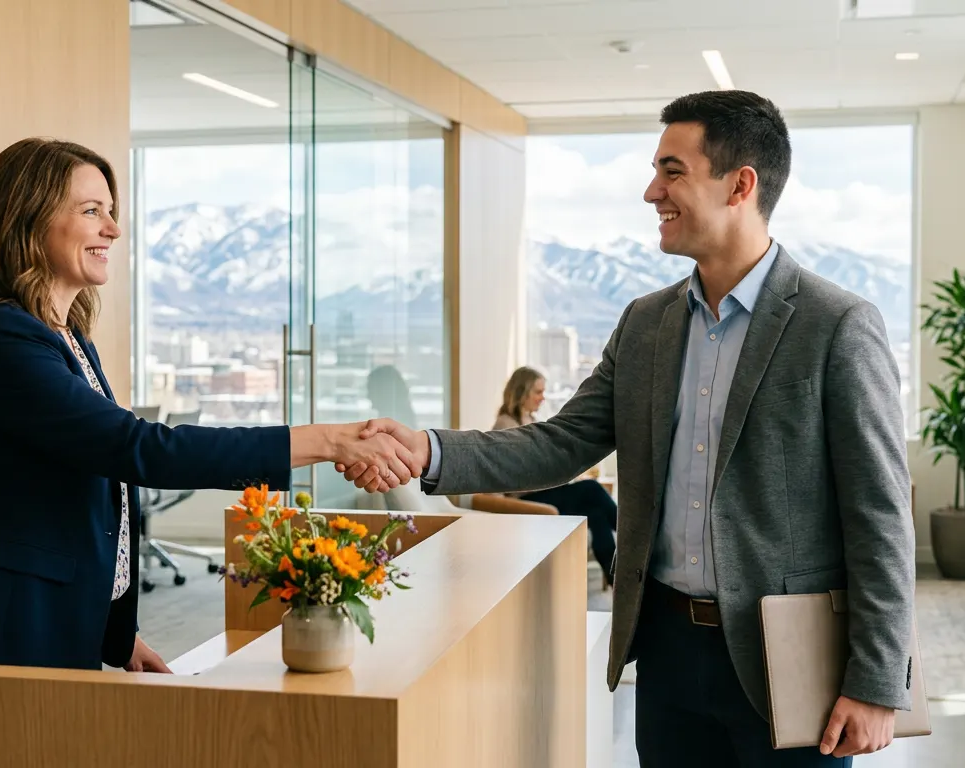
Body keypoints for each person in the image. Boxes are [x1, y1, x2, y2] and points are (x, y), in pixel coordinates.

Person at [343, 91, 914, 765]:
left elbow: (880, 513)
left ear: (740, 184)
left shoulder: (836, 324)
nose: (652, 192)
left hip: (787, 660)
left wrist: (877, 681)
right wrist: (427, 449)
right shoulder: (646, 323)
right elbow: (560, 441)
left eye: (673, 171)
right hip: (666, 650)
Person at [0, 138, 416, 673]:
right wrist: (327, 441)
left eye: (111, 212)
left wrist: (114, 634)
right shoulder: (1, 339)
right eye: (91, 211)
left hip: (51, 625)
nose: (113, 230)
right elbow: (135, 449)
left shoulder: (66, 336)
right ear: (28, 220)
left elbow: (89, 495)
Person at [492, 366, 617, 589]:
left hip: (546, 492)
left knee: (596, 515)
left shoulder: (530, 419)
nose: (542, 398)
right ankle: (633, 533)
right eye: (538, 392)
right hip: (528, 500)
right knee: (591, 488)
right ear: (522, 393)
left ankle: (616, 580)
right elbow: (516, 473)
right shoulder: (505, 425)